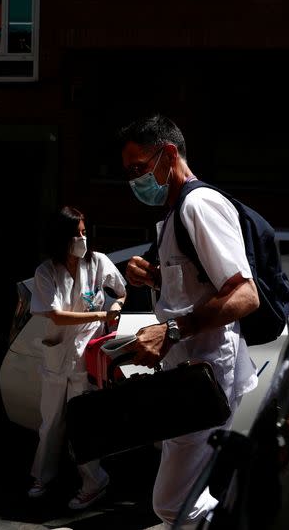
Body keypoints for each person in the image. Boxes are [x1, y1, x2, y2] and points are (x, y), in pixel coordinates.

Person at [119, 114, 259, 528]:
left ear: (169, 154)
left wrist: (172, 330)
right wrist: (157, 277)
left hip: (206, 378)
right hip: (187, 377)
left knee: (172, 504)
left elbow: (244, 294)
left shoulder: (200, 204)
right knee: (185, 497)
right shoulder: (177, 212)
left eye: (138, 168)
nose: (133, 180)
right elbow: (202, 285)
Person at [27, 205, 127, 510]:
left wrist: (116, 308)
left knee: (83, 424)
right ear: (61, 237)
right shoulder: (47, 272)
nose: (82, 239)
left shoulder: (97, 263)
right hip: (59, 355)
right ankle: (43, 477)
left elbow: (121, 292)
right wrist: (100, 311)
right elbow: (56, 315)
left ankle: (94, 482)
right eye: (76, 234)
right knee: (51, 423)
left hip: (87, 356)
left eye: (84, 232)